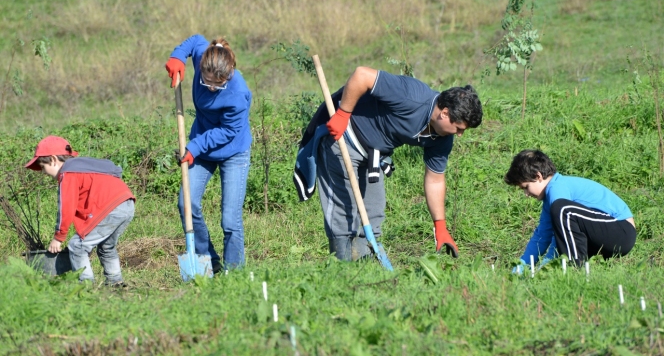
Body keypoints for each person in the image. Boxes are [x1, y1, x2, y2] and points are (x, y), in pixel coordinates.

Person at [294, 66, 483, 261]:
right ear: (444, 113)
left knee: (374, 211)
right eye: (459, 128)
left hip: (374, 155)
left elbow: (435, 180)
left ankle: (364, 263)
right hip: (343, 139)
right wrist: (342, 115)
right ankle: (341, 264)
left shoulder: (442, 138)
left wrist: (440, 225)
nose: (459, 135)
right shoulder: (411, 95)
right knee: (343, 209)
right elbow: (362, 75)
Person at [165, 35, 252, 272]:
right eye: (207, 82)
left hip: (233, 152)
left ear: (229, 73)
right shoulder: (204, 57)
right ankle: (207, 261)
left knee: (230, 220)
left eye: (218, 84)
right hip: (202, 147)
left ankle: (234, 273)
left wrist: (194, 147)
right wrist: (178, 56)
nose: (212, 87)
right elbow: (195, 40)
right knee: (187, 204)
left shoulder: (238, 93)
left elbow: (228, 131)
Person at [24, 136, 135, 285]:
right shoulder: (83, 167)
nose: (44, 173)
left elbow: (66, 207)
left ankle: (86, 287)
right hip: (126, 203)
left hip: (109, 208)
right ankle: (115, 282)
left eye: (43, 167)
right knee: (106, 247)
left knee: (77, 246)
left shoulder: (68, 173)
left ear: (53, 159)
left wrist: (59, 237)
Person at [504, 149, 636, 270]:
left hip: (621, 231)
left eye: (525, 187)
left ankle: (573, 269)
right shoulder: (549, 201)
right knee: (560, 214)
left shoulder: (558, 188)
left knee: (563, 210)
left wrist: (545, 267)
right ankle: (567, 271)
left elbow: (560, 235)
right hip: (605, 233)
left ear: (538, 176)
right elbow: (542, 236)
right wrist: (519, 270)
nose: (526, 194)